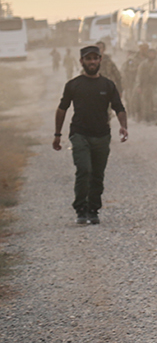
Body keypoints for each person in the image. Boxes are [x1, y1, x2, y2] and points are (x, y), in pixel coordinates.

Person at [54, 46, 129, 224]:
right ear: (82, 61)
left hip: (102, 135)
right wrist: (57, 134)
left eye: (95, 58)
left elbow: (119, 107)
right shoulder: (73, 85)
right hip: (80, 134)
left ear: (100, 60)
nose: (92, 62)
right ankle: (80, 208)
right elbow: (62, 109)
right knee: (84, 170)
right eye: (88, 59)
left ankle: (93, 209)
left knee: (97, 174)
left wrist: (123, 126)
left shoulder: (108, 85)